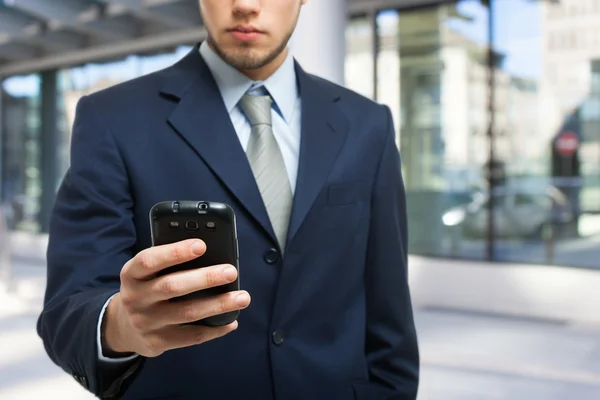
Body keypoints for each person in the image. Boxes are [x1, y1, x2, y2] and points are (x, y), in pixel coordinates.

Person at [37, 0, 420, 399]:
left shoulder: (367, 125)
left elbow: (388, 316)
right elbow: (66, 313)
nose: (245, 5)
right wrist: (121, 324)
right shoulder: (113, 118)